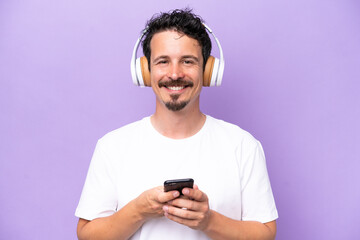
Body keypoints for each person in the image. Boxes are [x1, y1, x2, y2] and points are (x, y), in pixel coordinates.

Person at [75, 9, 278, 240]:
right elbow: (87, 235)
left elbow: (265, 234)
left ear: (208, 70)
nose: (174, 73)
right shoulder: (112, 146)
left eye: (188, 61)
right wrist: (138, 210)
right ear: (145, 71)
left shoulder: (242, 146)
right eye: (163, 61)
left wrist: (208, 221)